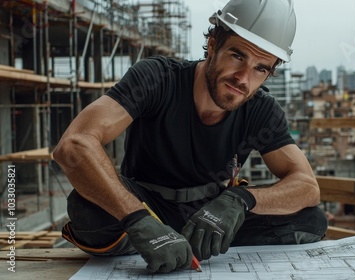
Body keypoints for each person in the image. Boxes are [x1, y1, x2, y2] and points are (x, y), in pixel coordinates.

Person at [54, 0, 328, 274]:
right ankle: (145, 237)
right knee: (86, 208)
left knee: (310, 220)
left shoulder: (261, 110)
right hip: (144, 203)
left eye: (261, 68)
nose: (243, 78)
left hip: (212, 215)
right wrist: (136, 218)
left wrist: (240, 200)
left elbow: (306, 186)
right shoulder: (158, 79)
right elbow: (75, 144)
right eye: (238, 56)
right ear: (213, 45)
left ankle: (201, 241)